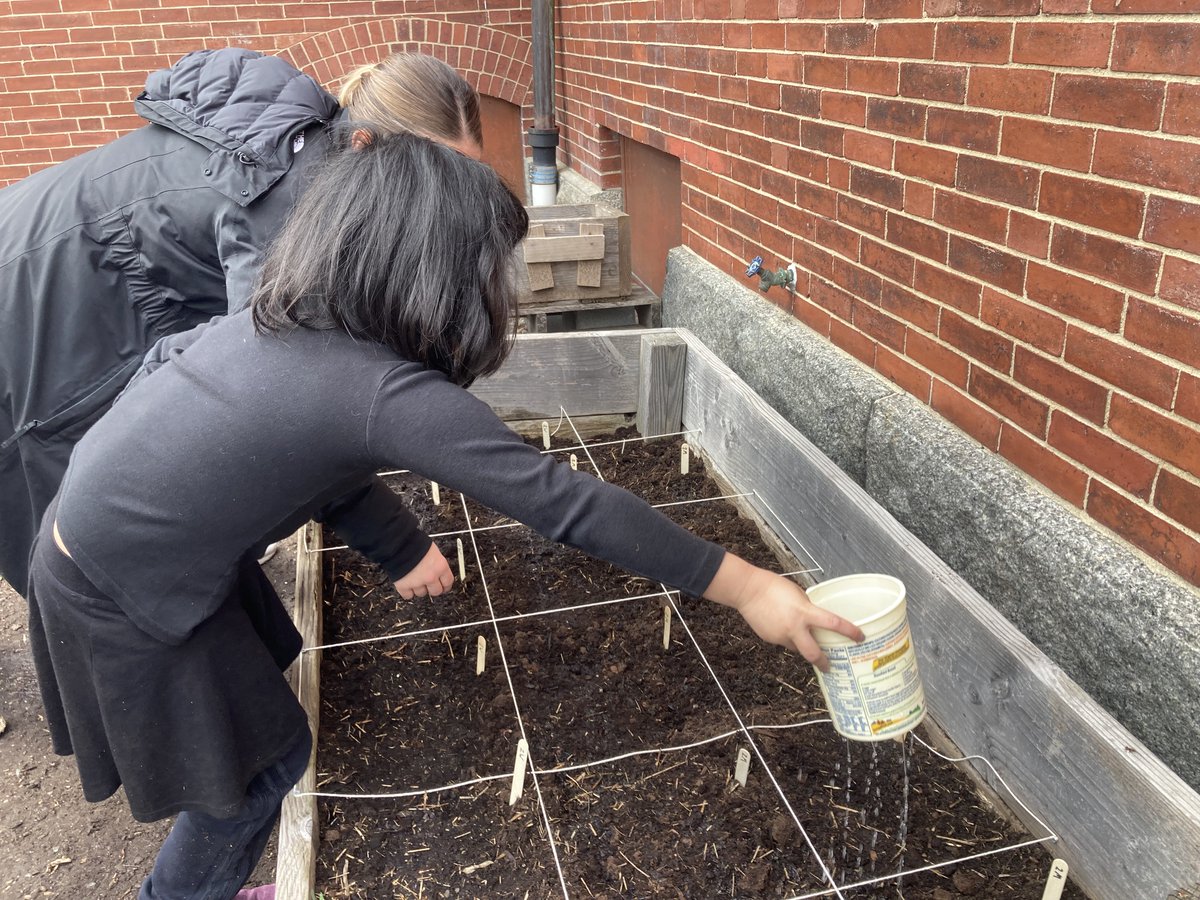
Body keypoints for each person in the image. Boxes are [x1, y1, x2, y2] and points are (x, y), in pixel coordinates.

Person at [27, 129, 864, 900]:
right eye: (495, 269)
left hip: (94, 537)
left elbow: (304, 466)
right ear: (440, 270)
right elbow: (564, 503)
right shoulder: (374, 390)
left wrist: (398, 549)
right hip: (121, 588)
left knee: (251, 737)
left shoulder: (289, 325)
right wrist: (749, 587)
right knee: (260, 771)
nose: (503, 290)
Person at [0, 47, 484, 598]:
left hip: (51, 266)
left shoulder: (304, 147)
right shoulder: (290, 212)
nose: (453, 198)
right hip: (33, 328)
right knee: (96, 560)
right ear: (363, 144)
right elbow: (279, 399)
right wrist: (399, 545)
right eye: (442, 175)